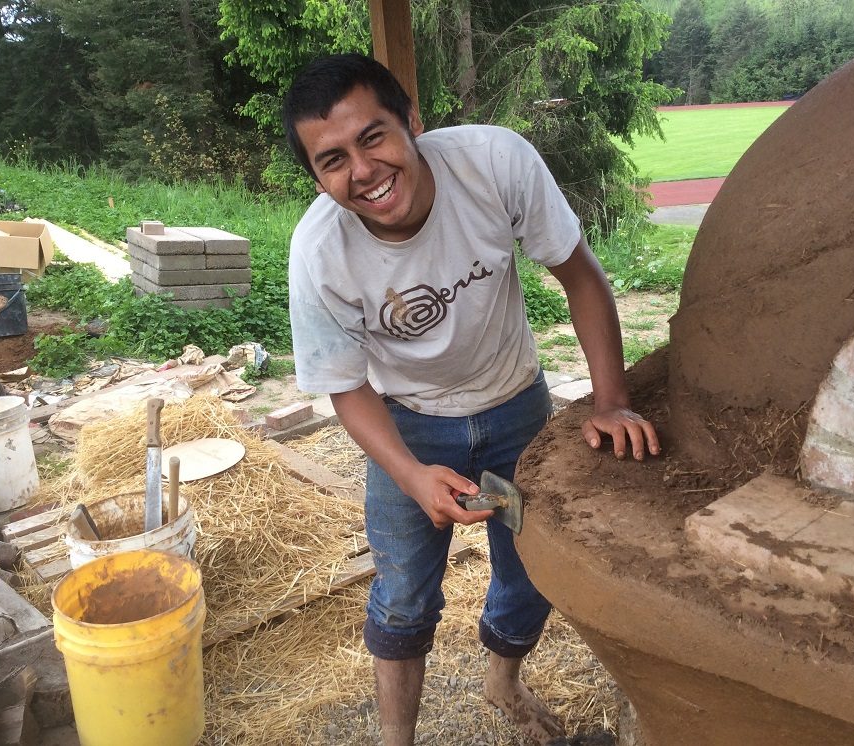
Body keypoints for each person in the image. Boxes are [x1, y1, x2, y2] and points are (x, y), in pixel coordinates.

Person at [282, 53, 659, 746]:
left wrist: (610, 399)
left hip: (517, 406)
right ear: (315, 175)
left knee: (532, 571)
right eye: (332, 160)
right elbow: (345, 386)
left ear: (413, 122)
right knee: (401, 600)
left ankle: (503, 682)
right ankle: (397, 739)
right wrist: (410, 474)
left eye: (373, 137)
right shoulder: (317, 253)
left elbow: (579, 274)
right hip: (409, 427)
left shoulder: (494, 162)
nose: (362, 171)